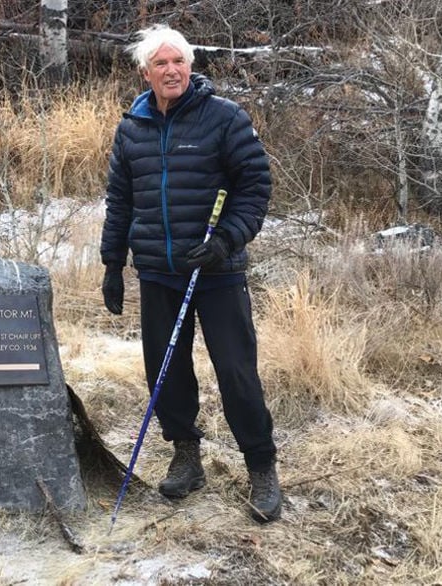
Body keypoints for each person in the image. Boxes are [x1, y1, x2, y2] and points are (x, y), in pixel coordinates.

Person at [100, 24, 281, 522]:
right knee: (166, 373)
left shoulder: (224, 119)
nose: (171, 70)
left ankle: (261, 467)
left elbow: (255, 187)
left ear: (191, 66)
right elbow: (120, 200)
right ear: (146, 73)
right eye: (161, 63)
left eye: (179, 60)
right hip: (158, 271)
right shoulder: (131, 128)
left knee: (236, 372)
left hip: (217, 272)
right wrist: (113, 264)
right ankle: (186, 456)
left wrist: (226, 241)